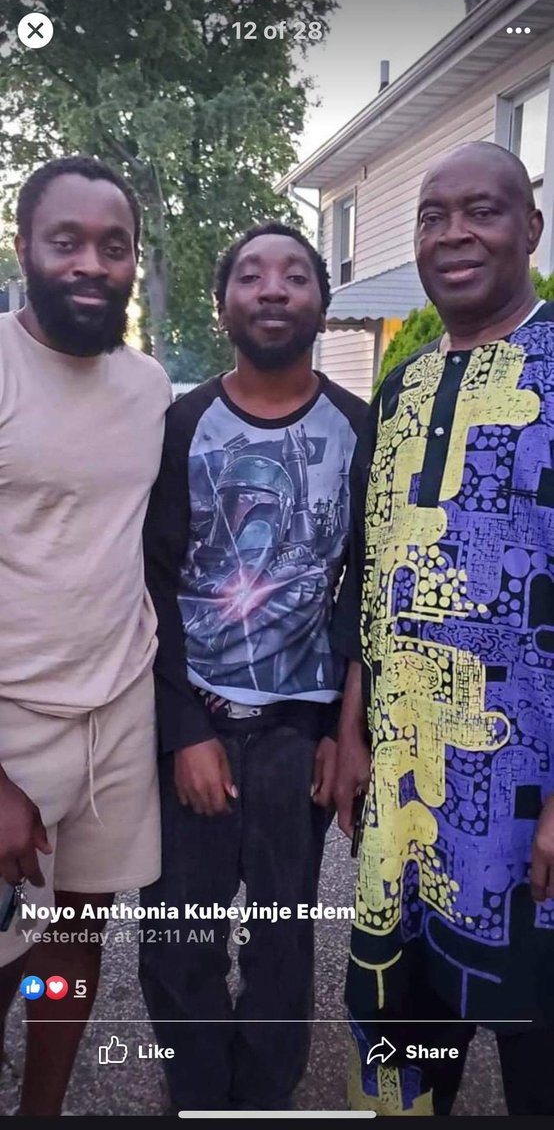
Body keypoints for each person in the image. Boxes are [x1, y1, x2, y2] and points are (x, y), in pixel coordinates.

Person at [332, 140, 554, 1117]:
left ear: (530, 229)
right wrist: (350, 729)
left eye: (482, 211)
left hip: (529, 807)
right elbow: (372, 569)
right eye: (432, 216)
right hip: (407, 793)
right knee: (404, 1056)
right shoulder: (401, 386)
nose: (453, 234)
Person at [138, 222, 368, 1111]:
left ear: (322, 301)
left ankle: (263, 1099)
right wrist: (182, 731)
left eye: (296, 274)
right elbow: (152, 582)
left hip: (296, 735)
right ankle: (200, 1095)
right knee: (178, 941)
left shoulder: (358, 429)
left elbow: (363, 585)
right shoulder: (180, 427)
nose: (273, 288)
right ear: (222, 303)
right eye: (251, 275)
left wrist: (340, 728)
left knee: (282, 942)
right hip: (193, 719)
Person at [0, 156, 172, 1116]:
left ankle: (43, 1111)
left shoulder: (148, 387)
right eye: (66, 241)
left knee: (73, 939)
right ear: (26, 246)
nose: (92, 264)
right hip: (10, 718)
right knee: (4, 947)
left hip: (118, 707)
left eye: (114, 246)